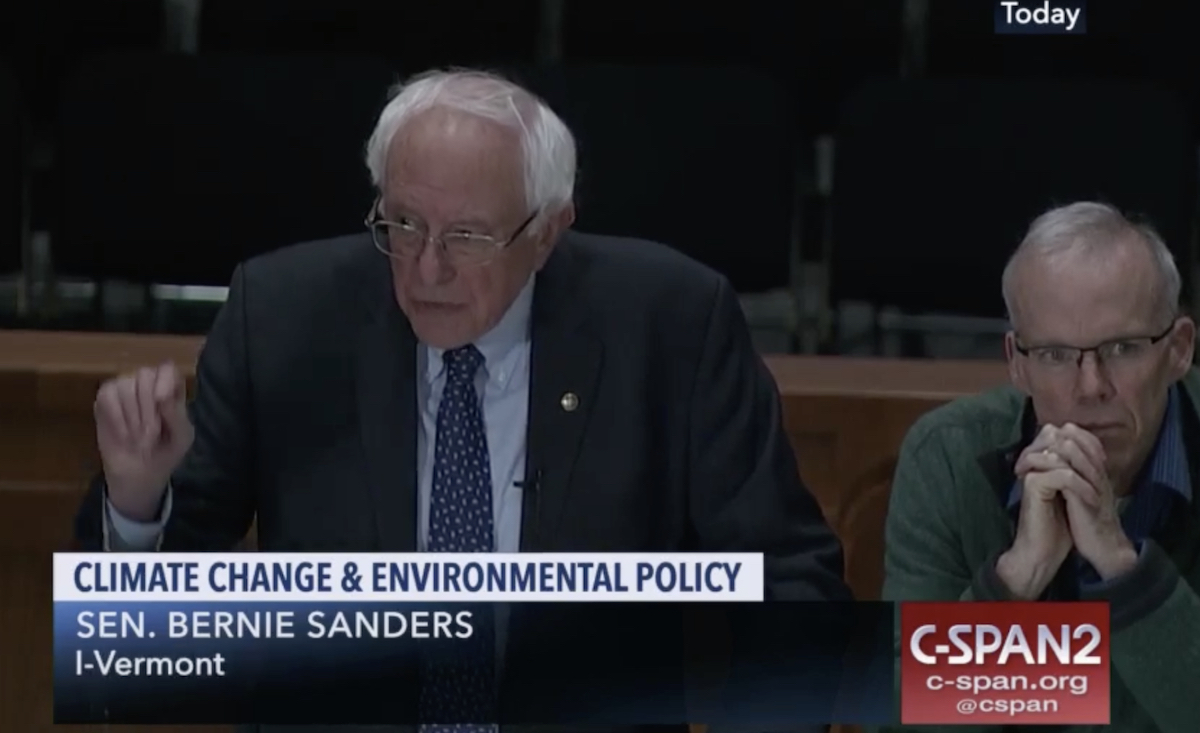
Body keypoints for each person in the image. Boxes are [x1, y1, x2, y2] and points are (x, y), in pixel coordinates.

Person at [73, 69, 850, 729]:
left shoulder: (671, 325)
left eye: (469, 237)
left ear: (550, 230)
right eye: (403, 224)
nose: (426, 269)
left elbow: (788, 576)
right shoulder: (281, 316)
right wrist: (138, 504)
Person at [878, 202, 1200, 733]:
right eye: (1054, 355)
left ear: (1179, 350)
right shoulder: (948, 457)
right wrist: (1013, 581)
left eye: (1122, 348)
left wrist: (1123, 569)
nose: (1091, 386)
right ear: (1016, 363)